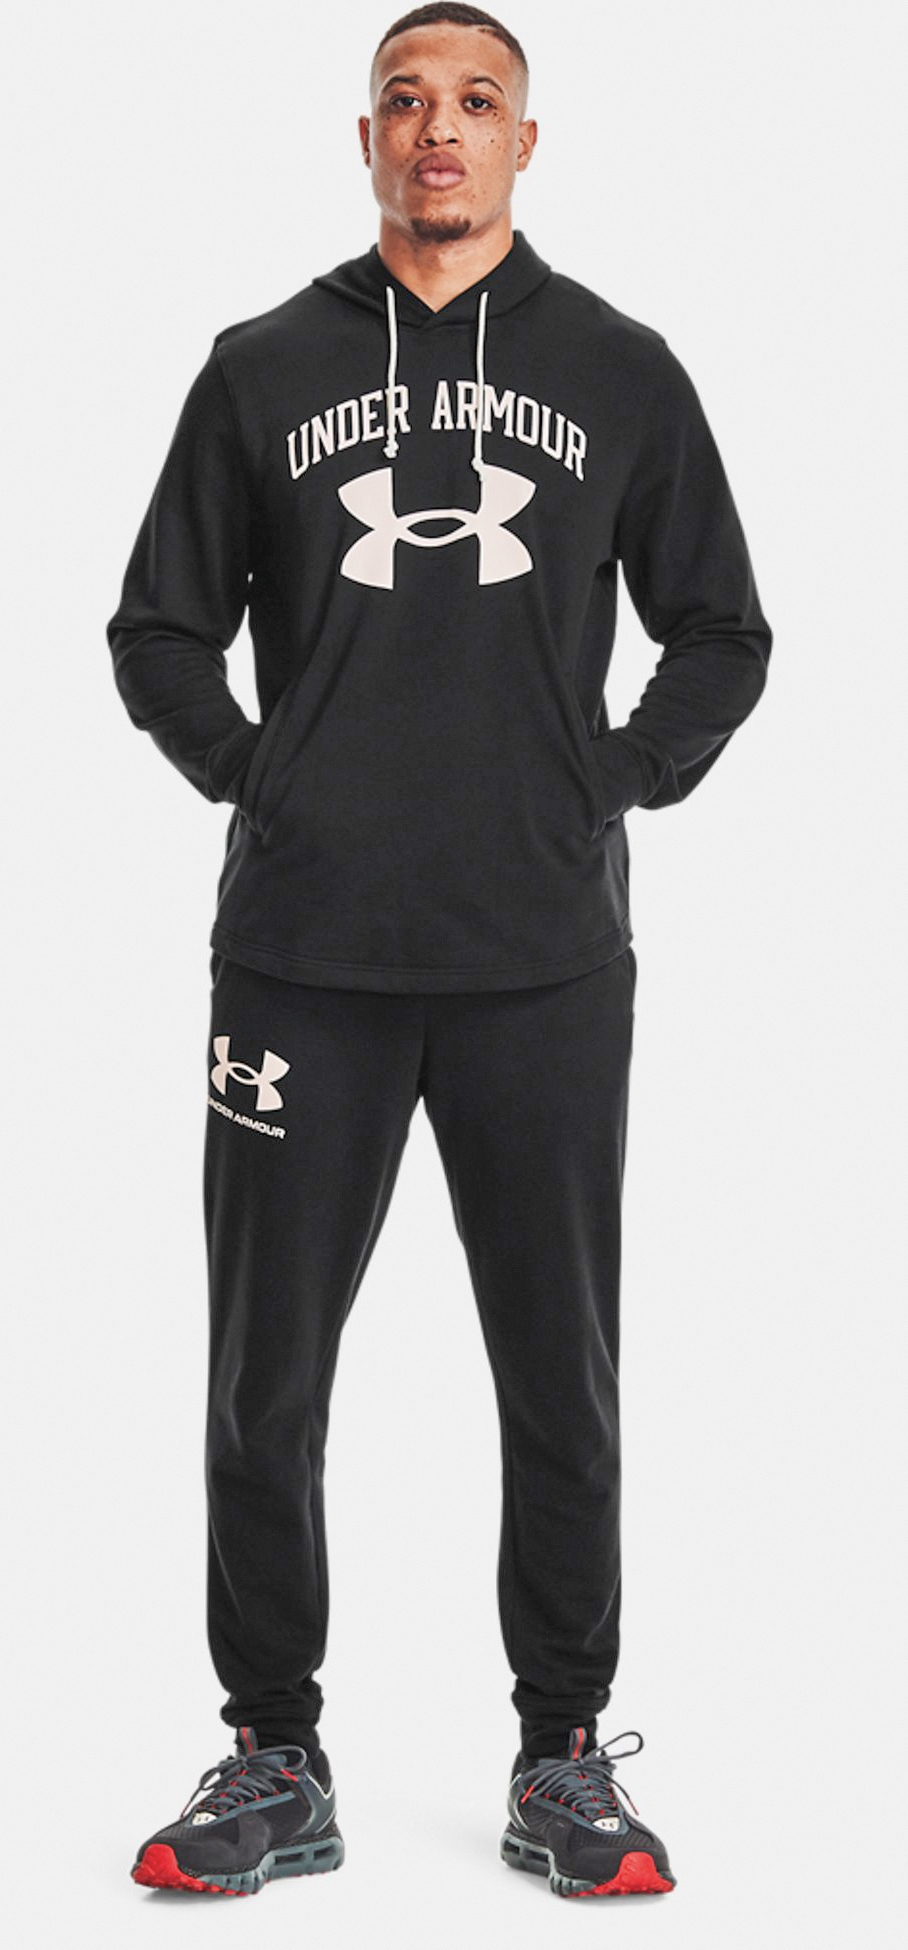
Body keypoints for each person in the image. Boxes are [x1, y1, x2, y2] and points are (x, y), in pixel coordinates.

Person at [109, 1, 771, 1904]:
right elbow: (156, 630)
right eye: (405, 101)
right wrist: (267, 777)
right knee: (263, 1377)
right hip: (300, 954)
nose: (439, 130)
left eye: (477, 101)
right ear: (366, 140)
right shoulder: (259, 366)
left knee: (560, 1370)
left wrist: (610, 778)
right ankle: (274, 1751)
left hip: (541, 954)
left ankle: (564, 1753)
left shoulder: (621, 369)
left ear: (525, 142)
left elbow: (723, 630)